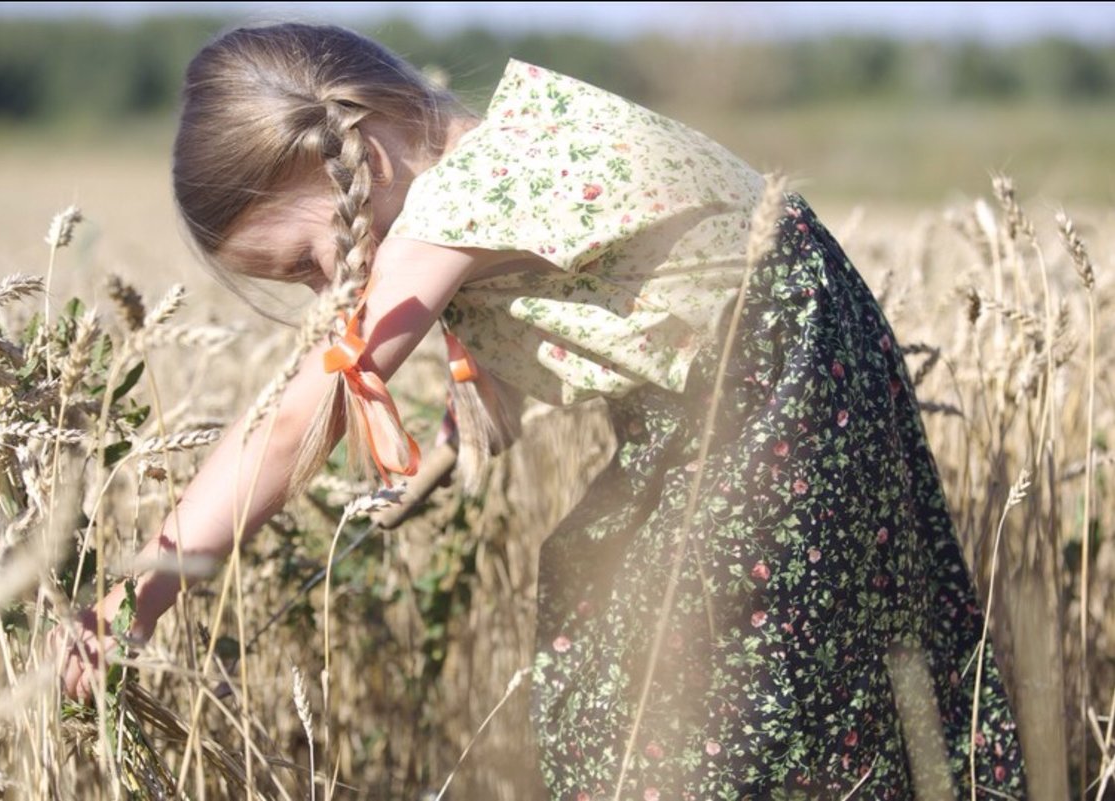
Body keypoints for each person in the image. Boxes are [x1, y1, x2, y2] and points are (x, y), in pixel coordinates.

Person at [59, 23, 1028, 799]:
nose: (328, 285)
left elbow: (284, 426)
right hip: (786, 383)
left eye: (313, 256)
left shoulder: (452, 213)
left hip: (771, 394)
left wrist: (137, 594)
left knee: (688, 667)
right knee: (711, 637)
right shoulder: (508, 148)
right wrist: (448, 449)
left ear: (363, 155)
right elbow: (584, 310)